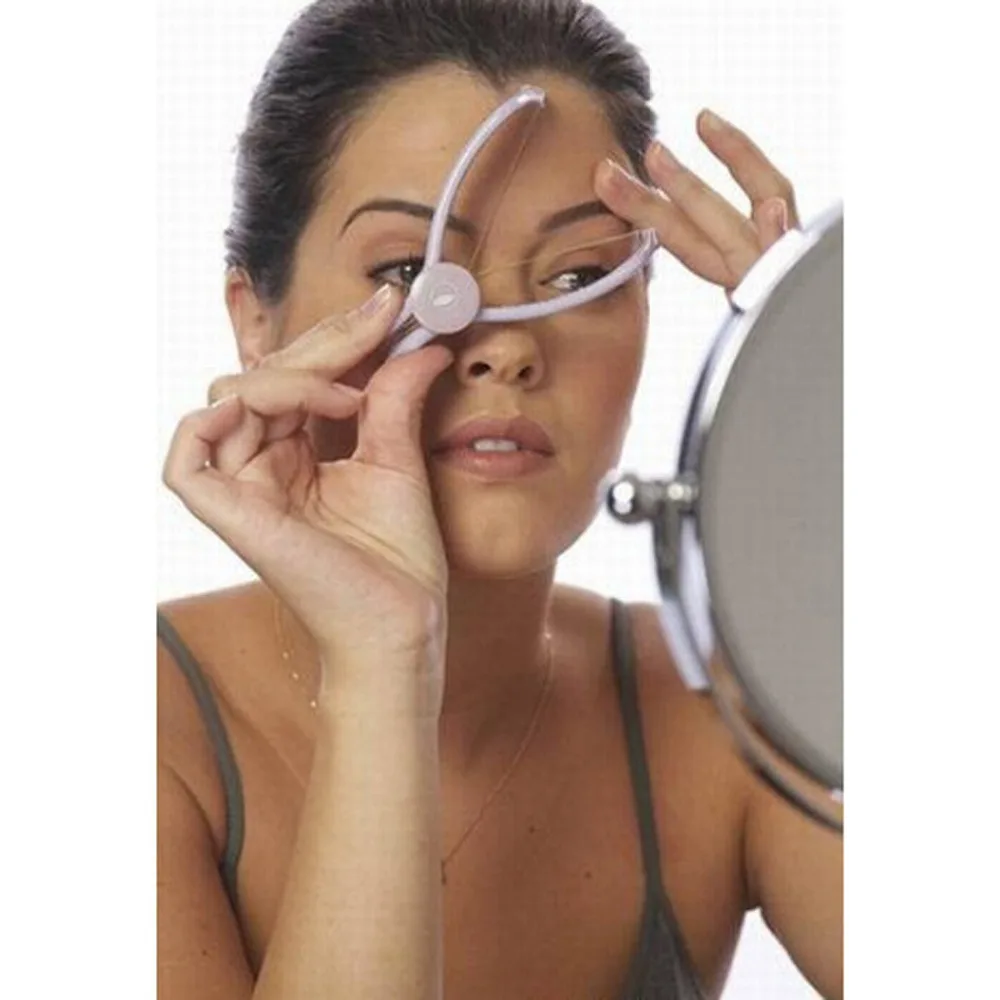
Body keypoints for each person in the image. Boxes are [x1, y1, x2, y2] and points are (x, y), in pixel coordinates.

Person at [157, 1, 842, 997]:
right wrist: (383, 660)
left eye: (579, 275)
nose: (507, 345)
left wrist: (838, 390)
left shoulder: (722, 707)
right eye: (412, 269)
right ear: (255, 321)